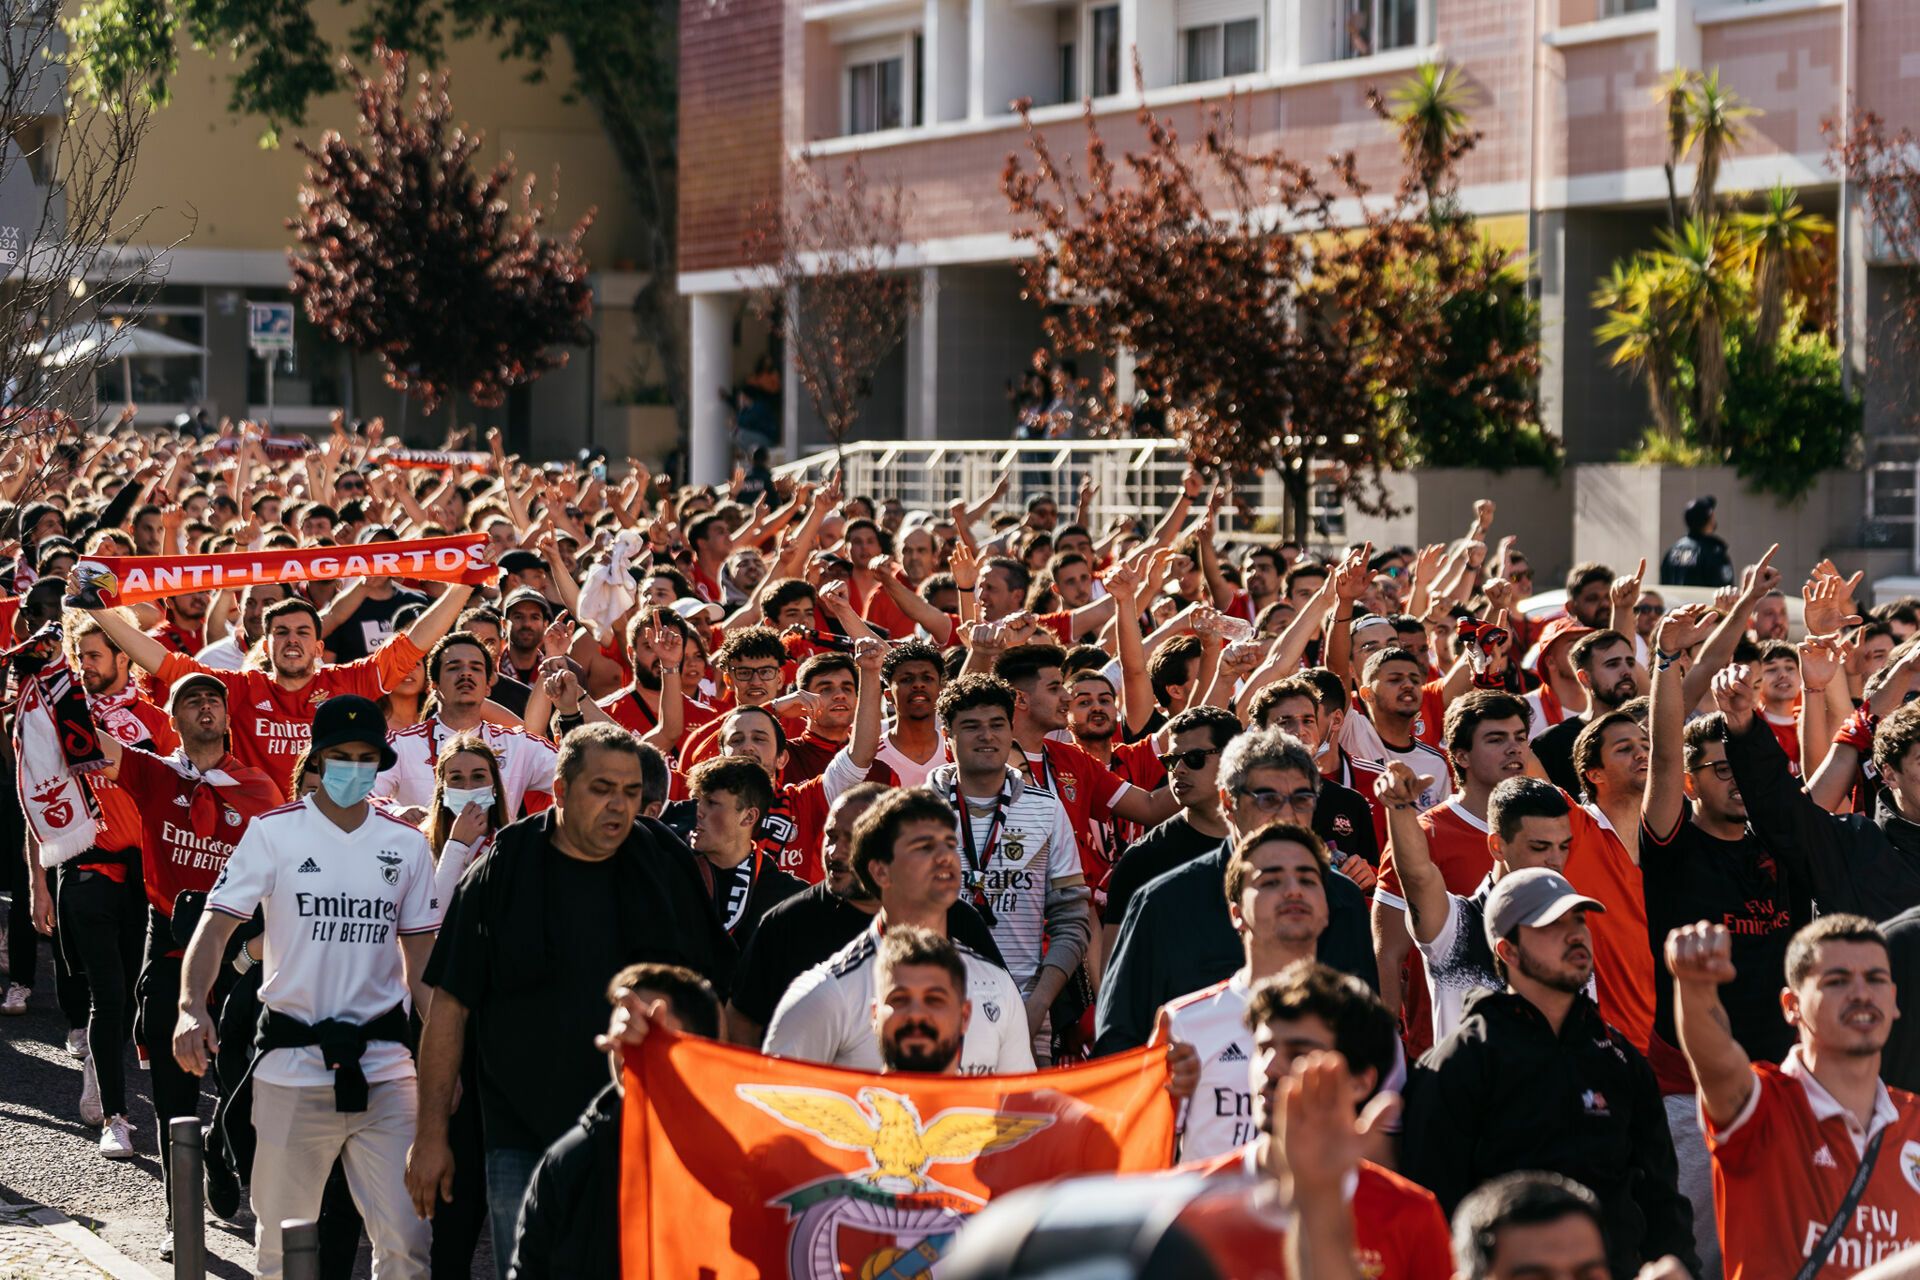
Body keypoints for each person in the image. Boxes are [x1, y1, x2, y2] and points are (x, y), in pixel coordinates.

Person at [407, 723, 736, 1277]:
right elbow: (450, 1007)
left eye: (631, 793)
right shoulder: (500, 871)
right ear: (560, 791)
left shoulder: (665, 863)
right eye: (602, 789)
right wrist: (431, 1135)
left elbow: (712, 995)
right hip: (521, 1134)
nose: (619, 806)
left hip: (647, 1126)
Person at [172, 694, 439, 1280]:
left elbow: (423, 969)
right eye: (338, 755)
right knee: (281, 1248)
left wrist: (449, 1060)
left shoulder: (407, 844)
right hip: (291, 1065)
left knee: (407, 1240)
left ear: (380, 763)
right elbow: (215, 929)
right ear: (316, 759)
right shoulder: (273, 833)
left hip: (387, 1068)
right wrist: (191, 1007)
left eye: (365, 756)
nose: (351, 768)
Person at [1400, 867, 1698, 1278]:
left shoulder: (1621, 1060)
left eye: (1579, 920)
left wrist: (1682, 1268)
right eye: (1552, 924)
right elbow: (1432, 1209)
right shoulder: (1459, 1062)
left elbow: (1663, 1200)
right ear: (1508, 951)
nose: (1576, 934)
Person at [96, 671, 282, 1189]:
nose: (205, 707)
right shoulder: (152, 773)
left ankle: (219, 1148)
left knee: (239, 1077)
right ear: (173, 720)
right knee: (171, 1090)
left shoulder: (259, 789)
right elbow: (87, 745)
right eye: (191, 700)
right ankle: (179, 1216)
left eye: (214, 701)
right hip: (169, 943)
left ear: (226, 718)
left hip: (237, 951)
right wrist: (51, 682)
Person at [1096, 727, 1377, 1055]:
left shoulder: (1342, 900)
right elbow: (1118, 1043)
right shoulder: (1162, 904)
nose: (1286, 815)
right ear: (1228, 804)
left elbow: (1367, 1037)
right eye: (1268, 799)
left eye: (1301, 799)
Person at [1669, 915, 1920, 1280]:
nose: (1862, 993)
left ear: (1895, 1001)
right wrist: (1695, 986)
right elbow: (1714, 1060)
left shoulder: (1914, 1120)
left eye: (1876, 979)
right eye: (1837, 981)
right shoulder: (1760, 1106)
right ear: (1792, 1005)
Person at [1173, 962, 1449, 1280]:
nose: (1270, 1068)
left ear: (1361, 1081)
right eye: (1262, 1049)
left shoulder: (1410, 1214)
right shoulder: (1181, 1202)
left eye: (1299, 1053)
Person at [82, 583, 473, 795]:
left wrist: (463, 588)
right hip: (257, 834)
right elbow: (164, 663)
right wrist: (97, 610)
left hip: (328, 829)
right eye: (281, 633)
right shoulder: (242, 688)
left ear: (319, 648)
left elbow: (414, 644)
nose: (292, 640)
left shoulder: (345, 682)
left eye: (303, 632)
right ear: (264, 646)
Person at [763, 787, 1034, 1075]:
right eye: (923, 847)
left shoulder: (997, 986)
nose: (944, 858)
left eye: (949, 843)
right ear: (880, 871)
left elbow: (1022, 1109)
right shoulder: (825, 994)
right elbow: (776, 1111)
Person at [723, 782, 1003, 1047]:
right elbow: (741, 1027)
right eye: (831, 836)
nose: (835, 852)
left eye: (853, 839)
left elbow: (1000, 1013)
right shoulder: (784, 924)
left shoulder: (954, 919)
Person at [506, 963, 724, 1280]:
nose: (629, 1050)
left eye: (650, 1034)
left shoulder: (738, 1163)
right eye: (623, 1032)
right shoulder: (569, 1162)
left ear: (700, 1048)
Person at [1162, 825, 1356, 1161]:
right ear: (1236, 913)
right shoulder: (1183, 1022)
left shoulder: (1364, 1023)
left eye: (1308, 880)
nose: (1293, 891)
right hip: (1212, 1212)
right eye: (1271, 881)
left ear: (1326, 906)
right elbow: (1152, 1150)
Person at [928, 675, 1091, 1064]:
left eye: (997, 724)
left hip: (1026, 1010)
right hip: (937, 1009)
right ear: (948, 735)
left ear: (1011, 728)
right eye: (971, 726)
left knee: (1020, 1124)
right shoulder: (916, 810)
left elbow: (1071, 920)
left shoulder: (1047, 809)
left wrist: (1037, 1005)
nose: (986, 736)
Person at [1372, 690, 1529, 1055]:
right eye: (1496, 739)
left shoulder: (1545, 831)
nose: (1514, 748)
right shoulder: (1423, 834)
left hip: (1530, 1049)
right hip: (1445, 1048)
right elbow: (1389, 952)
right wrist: (1386, 1052)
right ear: (1460, 756)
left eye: (1520, 738)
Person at [375, 630, 558, 817]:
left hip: (498, 846)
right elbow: (366, 796)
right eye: (454, 667)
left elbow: (575, 776)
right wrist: (397, 811)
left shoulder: (517, 745)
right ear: (434, 686)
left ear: (487, 687)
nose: (466, 674)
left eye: (476, 668)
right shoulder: (402, 744)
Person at [685, 754, 806, 945]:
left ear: (749, 817)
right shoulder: (668, 871)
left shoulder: (790, 898)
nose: (697, 811)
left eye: (711, 803)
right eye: (694, 800)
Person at [1530, 629, 1643, 798]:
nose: (1626, 671)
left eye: (1630, 662)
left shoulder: (1647, 730)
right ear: (1584, 678)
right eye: (1612, 664)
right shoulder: (1552, 743)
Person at [1659, 495, 1734, 588]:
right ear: (1709, 519)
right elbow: (1725, 589)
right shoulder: (1713, 552)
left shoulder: (1672, 551)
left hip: (1674, 603)